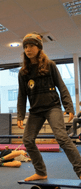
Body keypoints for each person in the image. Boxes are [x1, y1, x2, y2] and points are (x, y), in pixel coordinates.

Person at [17, 32, 81, 181]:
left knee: (62, 137)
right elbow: (21, 95)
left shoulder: (50, 65)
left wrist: (69, 106)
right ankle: (40, 171)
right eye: (25, 46)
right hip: (35, 111)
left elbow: (61, 85)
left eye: (31, 45)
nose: (28, 49)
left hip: (52, 107)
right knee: (27, 140)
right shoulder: (23, 73)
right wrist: (20, 114)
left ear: (39, 47)